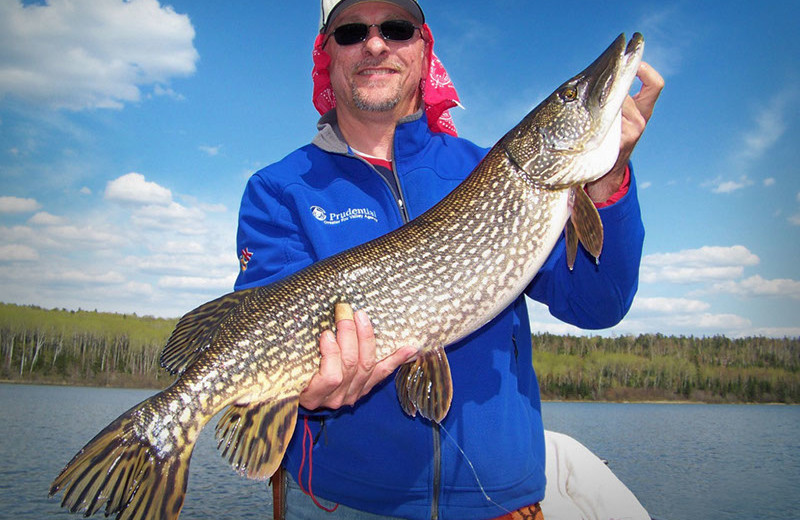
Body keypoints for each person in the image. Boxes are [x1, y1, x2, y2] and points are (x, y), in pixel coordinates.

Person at [234, 1, 664, 519]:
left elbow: (599, 304)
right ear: (326, 53)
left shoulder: (483, 170)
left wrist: (608, 180)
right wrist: (305, 392)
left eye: (396, 28)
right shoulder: (280, 190)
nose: (375, 44)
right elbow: (260, 335)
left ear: (423, 45)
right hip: (345, 503)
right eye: (351, 32)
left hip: (502, 503)